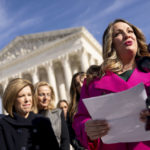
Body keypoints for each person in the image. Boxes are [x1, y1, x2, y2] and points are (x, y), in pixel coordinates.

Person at [72, 18, 150, 150]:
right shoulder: (93, 81)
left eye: (130, 31)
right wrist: (88, 128)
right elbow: (81, 118)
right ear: (110, 43)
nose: (127, 35)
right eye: (118, 33)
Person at [0, 78, 59, 150]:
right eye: (21, 96)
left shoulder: (43, 122)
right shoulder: (3, 125)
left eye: (29, 95)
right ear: (12, 100)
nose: (27, 99)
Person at [34, 81, 70, 150]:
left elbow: (65, 140)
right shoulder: (30, 116)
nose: (46, 98)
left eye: (48, 94)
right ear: (35, 96)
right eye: (41, 95)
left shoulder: (58, 113)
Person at [67, 72, 86, 150]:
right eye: (77, 84)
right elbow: (71, 134)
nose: (81, 85)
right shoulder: (72, 109)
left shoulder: (99, 98)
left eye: (83, 81)